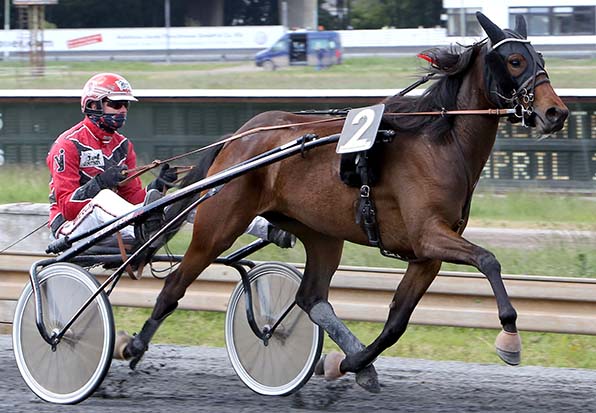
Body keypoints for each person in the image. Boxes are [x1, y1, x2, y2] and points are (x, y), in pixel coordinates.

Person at [46, 72, 295, 249]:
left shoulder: (123, 146)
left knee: (183, 200)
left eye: (126, 105)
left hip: (116, 225)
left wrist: (159, 188)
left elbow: (134, 198)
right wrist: (99, 183)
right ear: (92, 105)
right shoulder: (68, 145)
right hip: (70, 230)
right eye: (116, 104)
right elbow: (66, 206)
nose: (122, 110)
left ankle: (269, 230)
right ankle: (143, 226)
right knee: (104, 198)